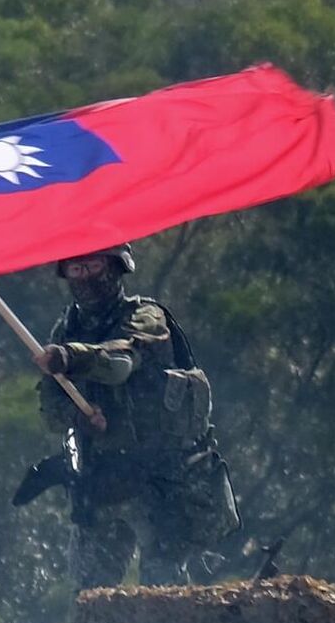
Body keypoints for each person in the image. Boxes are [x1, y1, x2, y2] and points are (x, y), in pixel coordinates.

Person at [33, 243, 238, 589]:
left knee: (162, 588)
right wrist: (77, 416)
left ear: (116, 267)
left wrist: (70, 358)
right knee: (91, 594)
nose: (85, 278)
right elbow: (51, 410)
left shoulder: (146, 317)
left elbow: (120, 363)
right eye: (77, 270)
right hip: (103, 480)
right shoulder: (66, 329)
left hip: (160, 480)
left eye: (94, 266)